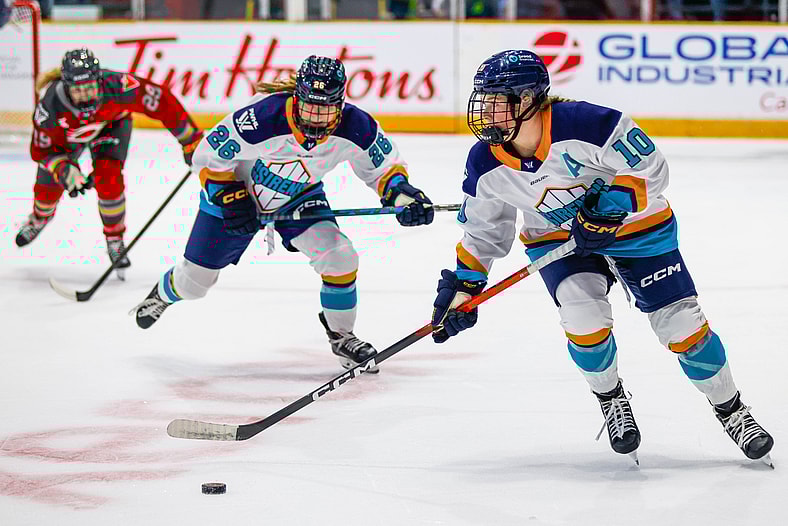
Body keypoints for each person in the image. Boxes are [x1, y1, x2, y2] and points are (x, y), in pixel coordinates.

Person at [430, 49, 773, 465]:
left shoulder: (590, 123)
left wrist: (609, 205)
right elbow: (484, 230)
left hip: (638, 229)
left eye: (498, 99)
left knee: (683, 326)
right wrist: (465, 285)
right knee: (582, 318)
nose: (487, 110)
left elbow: (653, 168)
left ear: (528, 99)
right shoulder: (484, 161)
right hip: (557, 239)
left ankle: (732, 409)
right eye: (484, 99)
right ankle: (610, 398)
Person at [130, 55, 435, 373]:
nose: (316, 116)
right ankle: (164, 293)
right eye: (310, 106)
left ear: (341, 104)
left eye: (326, 107)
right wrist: (230, 197)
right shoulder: (262, 117)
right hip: (237, 191)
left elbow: (384, 169)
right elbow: (208, 156)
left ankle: (342, 336)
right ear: (296, 98)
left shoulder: (356, 125)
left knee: (340, 256)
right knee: (194, 284)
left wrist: (403, 197)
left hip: (298, 196)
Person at [16, 48, 203, 279]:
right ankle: (39, 218)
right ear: (66, 86)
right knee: (48, 189)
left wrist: (191, 141)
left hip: (111, 128)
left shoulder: (119, 85)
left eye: (90, 87)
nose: (85, 95)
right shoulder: (50, 106)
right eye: (78, 89)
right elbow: (42, 150)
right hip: (65, 141)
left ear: (99, 79)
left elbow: (162, 101)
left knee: (109, 177)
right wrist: (64, 168)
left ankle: (115, 240)